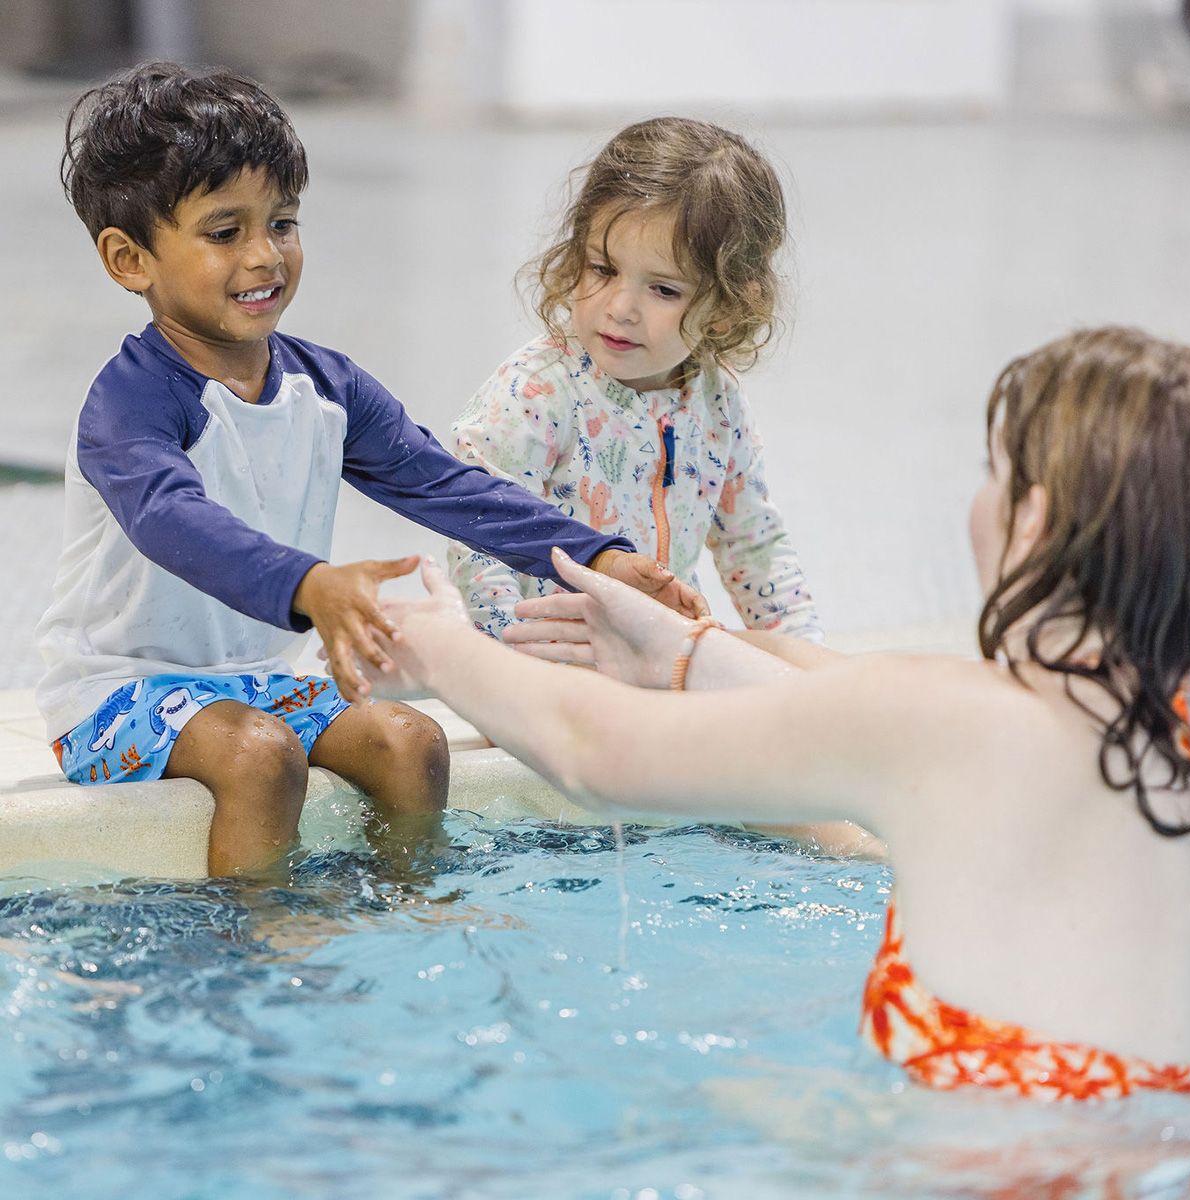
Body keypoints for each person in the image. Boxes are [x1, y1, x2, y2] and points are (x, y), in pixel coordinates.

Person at [363, 327, 1190, 1100]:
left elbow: (595, 752)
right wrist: (682, 652)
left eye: (994, 471)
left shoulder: (943, 718)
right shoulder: (1171, 720)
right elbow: (836, 706)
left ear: (1033, 522)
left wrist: (442, 646)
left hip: (971, 1160)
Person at [34, 62, 703, 879]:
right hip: (115, 695)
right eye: (224, 232)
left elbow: (444, 484)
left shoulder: (326, 386)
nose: (264, 256)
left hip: (256, 683)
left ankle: (409, 916)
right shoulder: (129, 406)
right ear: (129, 259)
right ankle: (264, 945)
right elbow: (175, 522)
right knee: (258, 757)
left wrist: (598, 555)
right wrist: (310, 584)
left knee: (408, 741)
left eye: (281, 222)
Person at [445, 117, 822, 647]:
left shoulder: (717, 400)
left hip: (652, 652)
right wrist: (517, 662)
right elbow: (479, 542)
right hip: (545, 655)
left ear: (727, 306)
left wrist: (804, 656)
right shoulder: (536, 394)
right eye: (602, 269)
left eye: (664, 290)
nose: (620, 308)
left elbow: (753, 546)